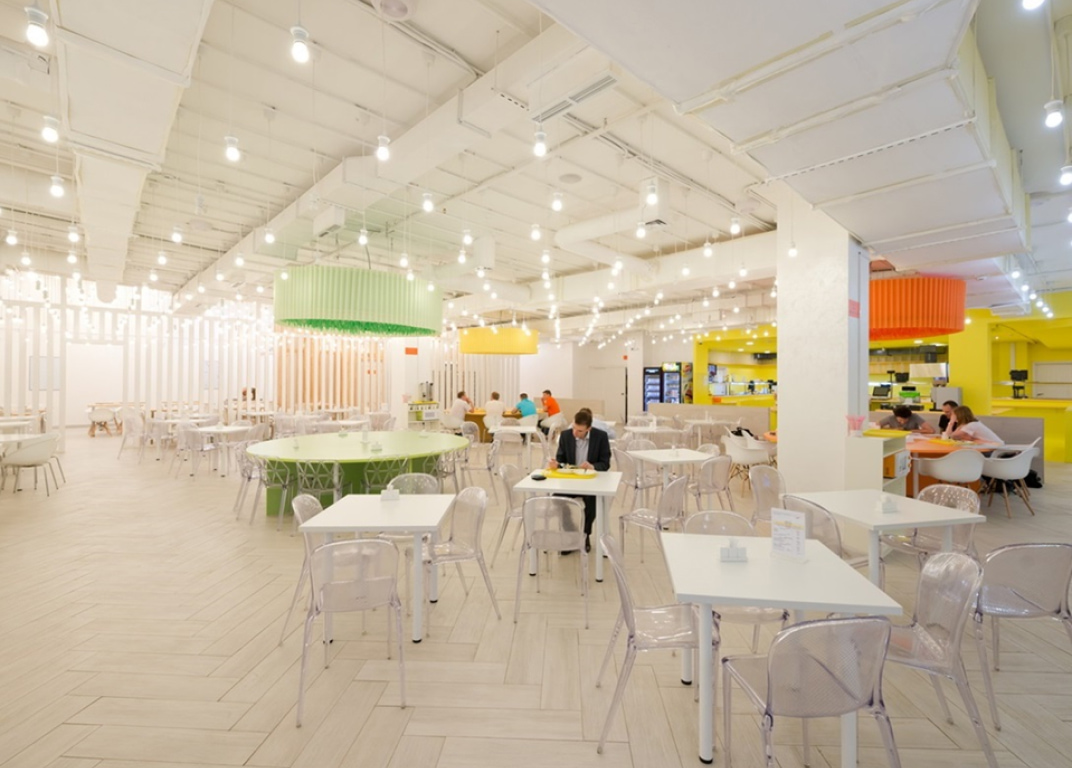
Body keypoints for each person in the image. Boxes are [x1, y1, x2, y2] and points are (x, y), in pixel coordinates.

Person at [549, 409, 612, 552]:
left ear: (589, 429)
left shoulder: (601, 437)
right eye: (574, 428)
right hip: (570, 480)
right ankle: (571, 533)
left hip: (591, 482)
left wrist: (593, 466)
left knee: (592, 502)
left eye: (580, 431)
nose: (575, 433)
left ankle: (584, 534)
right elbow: (561, 460)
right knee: (557, 499)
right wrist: (556, 464)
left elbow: (605, 463)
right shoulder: (566, 436)